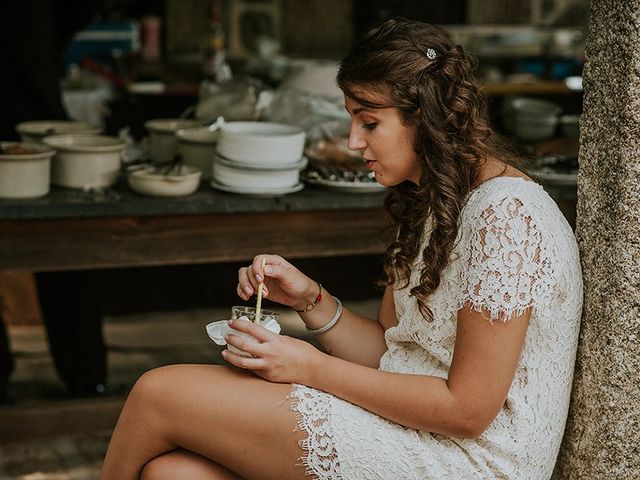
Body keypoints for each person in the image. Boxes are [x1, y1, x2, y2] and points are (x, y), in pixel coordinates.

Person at [100, 18, 583, 479]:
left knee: (158, 393)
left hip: (472, 459)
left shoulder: (506, 217)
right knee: (174, 473)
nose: (353, 141)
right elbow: (391, 354)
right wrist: (311, 301)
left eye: (369, 122)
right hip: (415, 429)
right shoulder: (433, 202)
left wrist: (310, 368)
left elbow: (469, 410)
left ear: (427, 117)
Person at [0, 0, 108, 401]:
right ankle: (84, 374)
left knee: (65, 232)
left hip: (30, 95)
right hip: (28, 82)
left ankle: (84, 374)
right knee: (66, 234)